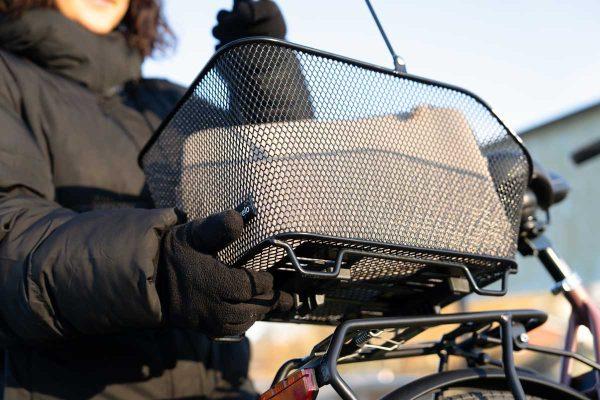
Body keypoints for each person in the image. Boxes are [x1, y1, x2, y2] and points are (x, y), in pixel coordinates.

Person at [0, 0, 295, 399]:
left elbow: (283, 183)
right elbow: (11, 236)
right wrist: (157, 269)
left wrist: (261, 66)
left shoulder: (169, 101)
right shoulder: (8, 79)